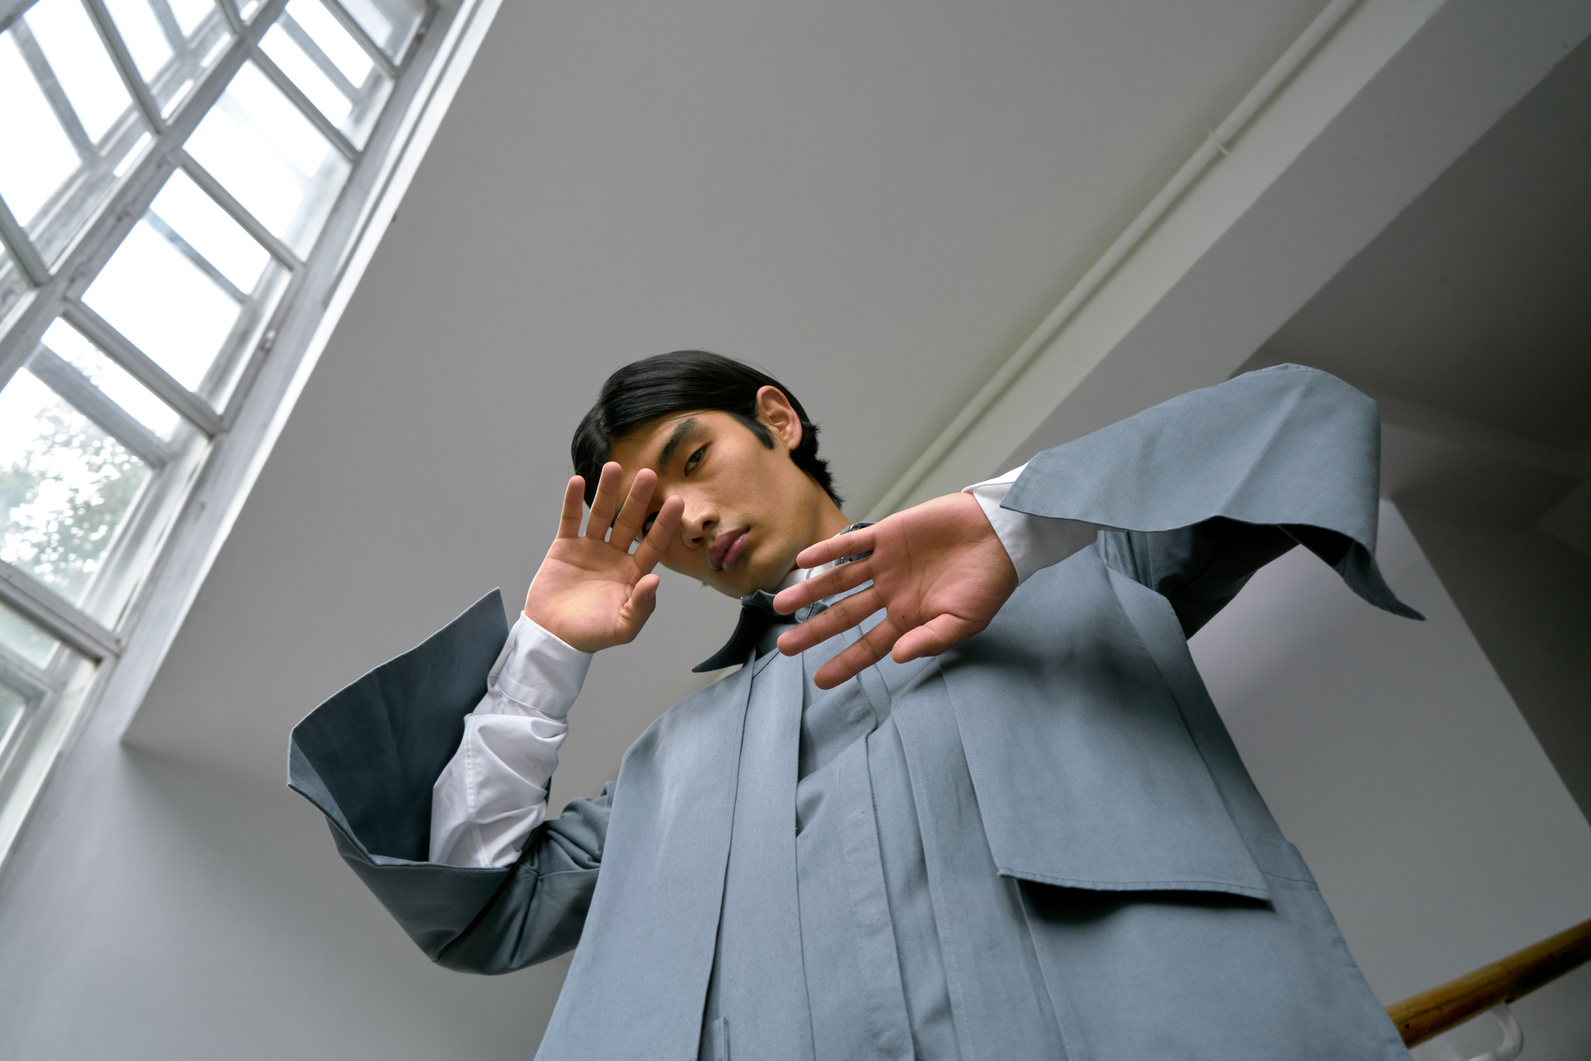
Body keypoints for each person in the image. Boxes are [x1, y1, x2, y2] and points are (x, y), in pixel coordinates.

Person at [289, 352, 1421, 1060]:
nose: (683, 513)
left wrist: (1015, 524)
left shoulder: (1074, 558)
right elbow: (477, 903)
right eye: (647, 514)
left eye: (694, 456)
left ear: (775, 418)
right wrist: (543, 650)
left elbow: (1300, 422)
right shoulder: (664, 768)